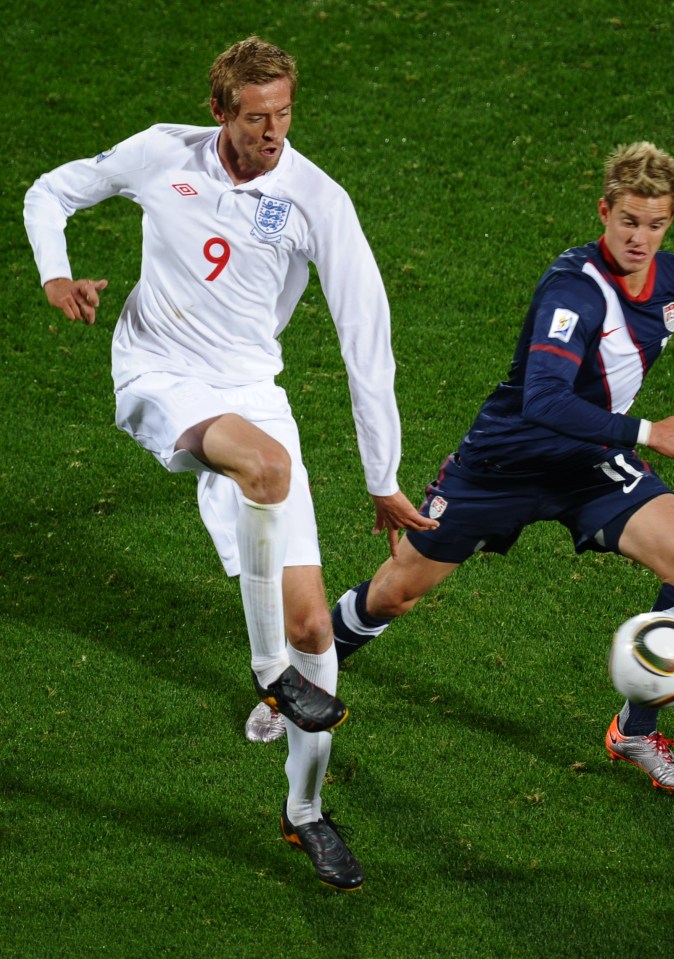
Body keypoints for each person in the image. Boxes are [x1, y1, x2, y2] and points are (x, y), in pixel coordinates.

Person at [23, 35, 436, 890]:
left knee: (317, 627)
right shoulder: (159, 153)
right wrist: (56, 276)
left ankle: (304, 813)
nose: (273, 133)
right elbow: (49, 191)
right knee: (269, 466)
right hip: (158, 376)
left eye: (284, 114)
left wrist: (382, 476)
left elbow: (368, 341)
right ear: (219, 111)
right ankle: (267, 675)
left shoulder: (318, 199)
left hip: (251, 390)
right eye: (256, 119)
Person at [329, 141, 674, 796]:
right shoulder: (573, 292)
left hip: (588, 463)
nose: (639, 238)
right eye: (627, 221)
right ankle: (303, 672)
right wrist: (648, 433)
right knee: (397, 591)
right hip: (501, 465)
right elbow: (545, 399)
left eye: (654, 224)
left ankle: (635, 729)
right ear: (603, 211)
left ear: (669, 222)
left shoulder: (670, 277)